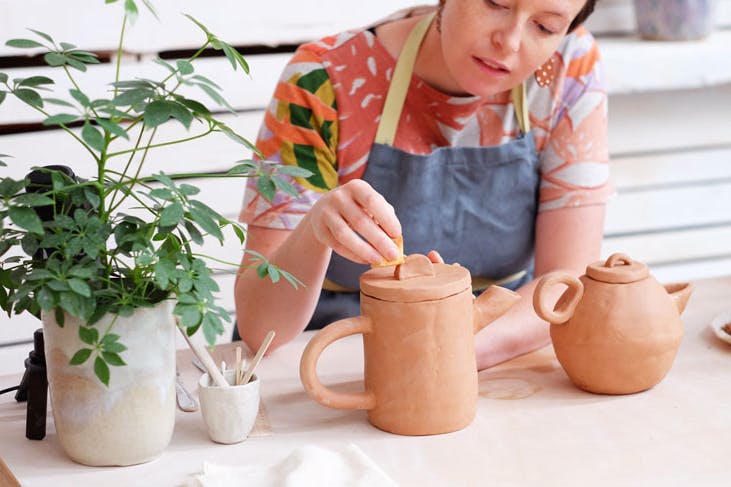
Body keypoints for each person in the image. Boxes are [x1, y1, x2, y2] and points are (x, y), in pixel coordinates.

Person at [234, 0, 611, 369]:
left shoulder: (568, 66)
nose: (510, 42)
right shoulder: (322, 79)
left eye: (545, 27)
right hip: (334, 356)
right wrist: (314, 231)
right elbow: (260, 328)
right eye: (495, 3)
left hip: (499, 346)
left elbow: (564, 283)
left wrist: (447, 353)